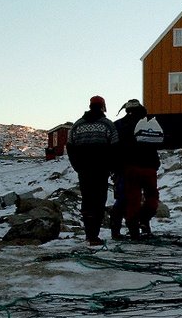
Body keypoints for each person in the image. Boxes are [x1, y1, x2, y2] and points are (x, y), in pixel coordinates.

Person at [66, 95, 119, 246]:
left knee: (87, 201)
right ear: (103, 107)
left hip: (84, 171)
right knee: (99, 201)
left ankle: (89, 234)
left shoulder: (77, 125)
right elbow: (115, 148)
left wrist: (77, 166)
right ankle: (94, 235)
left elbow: (70, 147)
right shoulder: (108, 125)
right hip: (101, 171)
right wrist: (111, 167)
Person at [114, 99, 162, 239]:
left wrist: (116, 167)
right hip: (150, 167)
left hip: (130, 168)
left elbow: (115, 146)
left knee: (132, 199)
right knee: (152, 197)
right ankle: (145, 221)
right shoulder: (150, 123)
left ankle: (133, 229)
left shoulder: (120, 125)